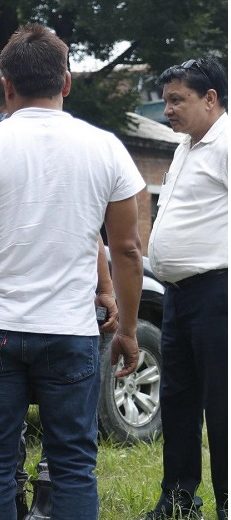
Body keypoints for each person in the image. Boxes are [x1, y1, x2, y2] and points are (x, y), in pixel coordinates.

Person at [0, 23, 144, 519]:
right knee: (72, 465)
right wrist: (127, 329)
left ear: (6, 87)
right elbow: (126, 249)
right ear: (66, 83)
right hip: (70, 331)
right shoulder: (107, 147)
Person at [143, 57, 227, 520]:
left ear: (210, 98)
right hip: (178, 296)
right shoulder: (185, 148)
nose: (167, 110)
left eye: (177, 100)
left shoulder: (227, 143)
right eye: (165, 100)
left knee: (223, 406)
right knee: (176, 402)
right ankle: (177, 500)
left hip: (219, 294)